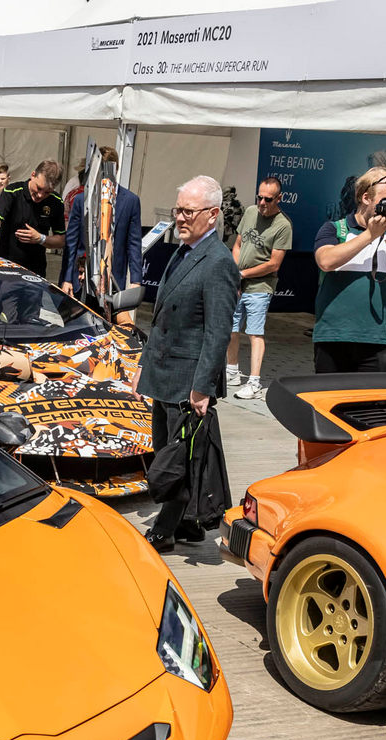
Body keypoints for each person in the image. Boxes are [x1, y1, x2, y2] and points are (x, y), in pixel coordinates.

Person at [139, 176, 240, 554]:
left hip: (187, 381)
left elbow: (218, 332)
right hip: (165, 373)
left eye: (188, 211)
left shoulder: (217, 262)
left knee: (175, 458)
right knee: (168, 451)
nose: (179, 218)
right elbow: (163, 318)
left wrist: (202, 387)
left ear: (212, 215)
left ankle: (165, 530)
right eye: (177, 209)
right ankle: (187, 523)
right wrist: (144, 365)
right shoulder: (183, 252)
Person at [311, 166, 386, 374]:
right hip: (334, 337)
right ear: (366, 198)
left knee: (371, 404)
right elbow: (325, 261)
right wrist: (370, 235)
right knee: (330, 403)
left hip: (378, 339)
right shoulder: (335, 229)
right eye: (385, 200)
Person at [223, 175, 291, 398]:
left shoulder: (283, 226)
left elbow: (274, 264)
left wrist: (242, 274)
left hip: (260, 286)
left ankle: (254, 382)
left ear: (279, 198)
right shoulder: (251, 212)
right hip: (239, 282)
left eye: (268, 199)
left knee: (254, 332)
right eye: (260, 197)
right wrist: (235, 274)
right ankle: (231, 370)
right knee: (231, 326)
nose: (262, 203)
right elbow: (238, 244)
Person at [63, 146, 144, 324]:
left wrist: (136, 280)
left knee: (108, 327)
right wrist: (67, 279)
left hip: (113, 279)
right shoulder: (80, 199)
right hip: (81, 280)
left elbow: (133, 244)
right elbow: (71, 243)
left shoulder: (130, 201)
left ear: (116, 169)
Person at [0, 159, 65, 279]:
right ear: (33, 175)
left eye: (47, 192)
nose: (40, 195)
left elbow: (61, 240)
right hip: (6, 268)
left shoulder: (56, 202)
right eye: (38, 188)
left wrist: (40, 238)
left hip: (35, 272)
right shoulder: (12, 192)